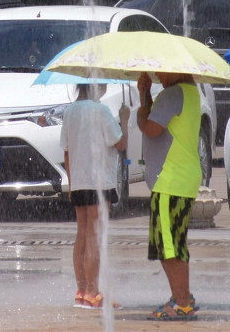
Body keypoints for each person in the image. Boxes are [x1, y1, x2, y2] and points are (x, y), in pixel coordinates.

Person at [136, 70, 202, 321]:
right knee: (173, 243)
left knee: (169, 246)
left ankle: (182, 302)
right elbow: (160, 119)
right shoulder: (189, 92)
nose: (158, 74)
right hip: (182, 178)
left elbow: (151, 127)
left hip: (170, 179)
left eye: (163, 70)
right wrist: (146, 94)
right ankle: (183, 294)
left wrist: (141, 113)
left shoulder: (173, 93)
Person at [61, 83, 130, 309]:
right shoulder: (100, 111)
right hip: (99, 180)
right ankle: (93, 291)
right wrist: (125, 120)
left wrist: (72, 184)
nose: (104, 91)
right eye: (103, 86)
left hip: (79, 181)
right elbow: (120, 143)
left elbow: (67, 150)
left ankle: (82, 290)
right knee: (94, 235)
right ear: (95, 86)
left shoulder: (70, 111)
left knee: (82, 233)